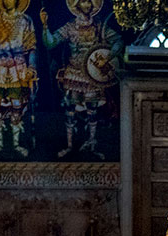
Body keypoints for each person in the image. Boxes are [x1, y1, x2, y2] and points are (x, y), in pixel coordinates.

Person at [40, 0, 122, 158]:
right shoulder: (70, 26)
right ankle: (70, 146)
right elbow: (50, 43)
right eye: (84, 1)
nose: (88, 5)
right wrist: (45, 26)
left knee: (92, 110)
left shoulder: (99, 26)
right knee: (70, 110)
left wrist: (108, 57)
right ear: (77, 5)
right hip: (73, 74)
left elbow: (118, 41)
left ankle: (92, 144)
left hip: (92, 75)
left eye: (90, 1)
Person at [0, 0, 38, 157]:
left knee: (17, 105)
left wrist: (32, 67)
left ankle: (16, 144)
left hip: (18, 67)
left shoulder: (25, 20)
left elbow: (32, 48)